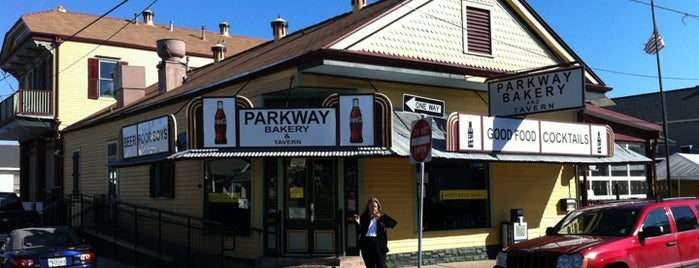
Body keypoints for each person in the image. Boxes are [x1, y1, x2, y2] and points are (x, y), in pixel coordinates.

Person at [355, 197, 397, 268]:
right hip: (366, 245)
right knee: (369, 266)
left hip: (379, 246)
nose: (373, 208)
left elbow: (394, 223)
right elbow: (360, 231)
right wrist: (358, 223)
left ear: (378, 207)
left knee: (381, 265)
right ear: (368, 207)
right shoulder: (364, 217)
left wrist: (385, 224)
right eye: (371, 206)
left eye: (375, 206)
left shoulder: (382, 216)